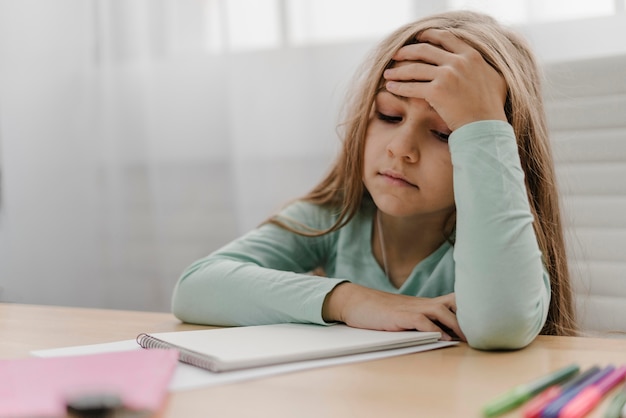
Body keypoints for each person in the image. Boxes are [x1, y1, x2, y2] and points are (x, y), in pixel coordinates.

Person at [171, 10, 577, 350]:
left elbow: (499, 325)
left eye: (444, 133)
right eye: (388, 116)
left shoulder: (504, 244)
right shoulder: (337, 217)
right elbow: (195, 288)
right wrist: (349, 300)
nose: (401, 149)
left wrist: (482, 123)